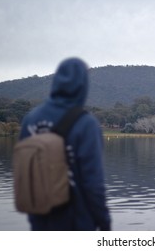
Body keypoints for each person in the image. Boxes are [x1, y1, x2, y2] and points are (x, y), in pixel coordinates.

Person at [18, 57, 111, 230]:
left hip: (39, 219)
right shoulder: (86, 124)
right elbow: (93, 184)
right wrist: (105, 223)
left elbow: (24, 171)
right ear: (83, 85)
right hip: (77, 221)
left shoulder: (30, 119)